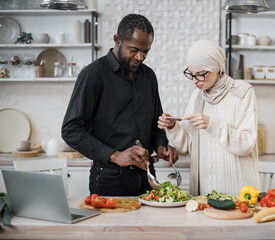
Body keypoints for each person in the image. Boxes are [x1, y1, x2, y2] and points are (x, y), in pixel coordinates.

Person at [62, 14, 178, 197]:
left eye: (146, 51)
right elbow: (70, 130)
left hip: (148, 176)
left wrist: (162, 145)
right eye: (134, 50)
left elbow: (156, 122)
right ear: (117, 40)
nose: (140, 57)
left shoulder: (149, 77)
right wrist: (115, 155)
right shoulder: (93, 75)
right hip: (109, 178)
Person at [158, 40, 260, 196]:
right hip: (206, 191)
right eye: (191, 74)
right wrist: (173, 126)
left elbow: (246, 144)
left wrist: (212, 125)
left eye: (200, 75)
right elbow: (186, 147)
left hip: (240, 191)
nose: (194, 81)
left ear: (217, 68)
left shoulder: (242, 92)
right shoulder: (197, 97)